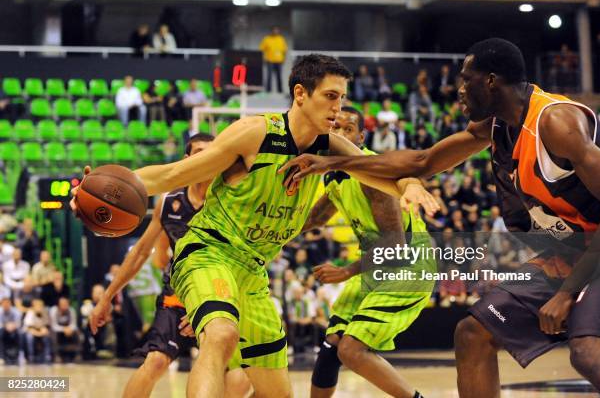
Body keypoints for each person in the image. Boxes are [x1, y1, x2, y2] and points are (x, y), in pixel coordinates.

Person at [72, 54, 435, 397]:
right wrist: (104, 188)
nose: (337, 108)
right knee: (221, 333)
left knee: (276, 390)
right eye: (329, 96)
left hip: (253, 272)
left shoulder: (331, 148)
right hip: (209, 252)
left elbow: (385, 170)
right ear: (300, 94)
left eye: (341, 98)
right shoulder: (254, 133)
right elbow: (170, 174)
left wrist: (412, 184)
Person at [281, 38, 600, 397]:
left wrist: (566, 293)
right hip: (568, 253)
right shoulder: (498, 127)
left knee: (587, 353)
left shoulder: (555, 122)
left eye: (465, 79)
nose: (457, 90)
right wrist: (335, 161)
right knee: (473, 333)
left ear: (490, 80)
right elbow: (424, 162)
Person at [89, 133, 250, 398]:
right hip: (177, 295)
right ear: (186, 160)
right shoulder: (169, 201)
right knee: (155, 361)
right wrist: (106, 297)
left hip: (222, 293)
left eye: (211, 153)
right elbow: (142, 253)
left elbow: (246, 256)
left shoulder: (231, 200)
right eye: (198, 152)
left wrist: (208, 305)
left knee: (236, 376)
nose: (205, 158)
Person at [303, 107, 434, 398]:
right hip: (377, 264)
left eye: (346, 130)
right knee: (332, 344)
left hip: (408, 265)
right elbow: (316, 218)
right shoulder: (335, 173)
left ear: (360, 137)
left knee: (351, 349)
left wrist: (346, 271)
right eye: (334, 128)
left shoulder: (372, 174)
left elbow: (395, 246)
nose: (337, 134)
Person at [259, 26, 288, 93]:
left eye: (277, 30)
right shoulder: (267, 39)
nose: (275, 31)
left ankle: (280, 91)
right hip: (270, 60)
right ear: (271, 31)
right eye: (274, 30)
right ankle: (268, 91)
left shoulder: (281, 39)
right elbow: (261, 50)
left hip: (279, 61)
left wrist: (284, 59)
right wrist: (263, 59)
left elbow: (284, 50)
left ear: (278, 31)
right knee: (269, 76)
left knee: (279, 76)